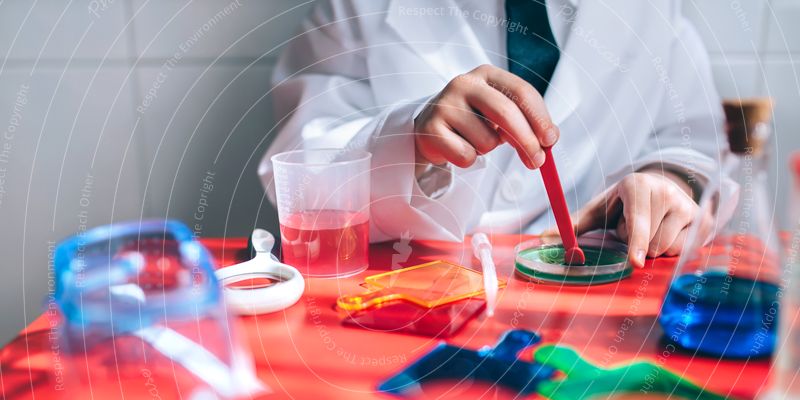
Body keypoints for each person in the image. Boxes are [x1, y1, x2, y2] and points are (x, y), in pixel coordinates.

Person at [259, 0, 724, 268]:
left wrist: (670, 184)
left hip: (592, 306)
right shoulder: (358, 9)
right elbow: (296, 175)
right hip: (412, 298)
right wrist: (408, 143)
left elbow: (694, 146)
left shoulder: (652, 13)